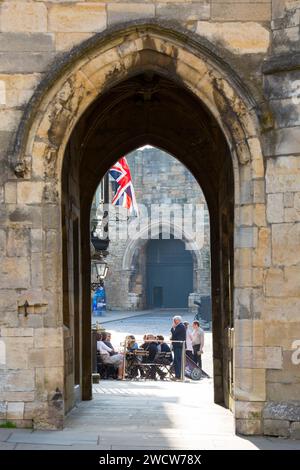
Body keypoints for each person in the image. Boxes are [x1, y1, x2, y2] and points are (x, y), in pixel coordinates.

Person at [170, 315, 186, 380]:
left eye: (174, 320)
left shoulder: (180, 326)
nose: (173, 322)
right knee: (176, 361)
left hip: (178, 346)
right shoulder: (179, 326)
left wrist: (172, 328)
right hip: (176, 346)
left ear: (178, 320)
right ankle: (177, 375)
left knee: (178, 361)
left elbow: (174, 334)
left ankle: (178, 376)